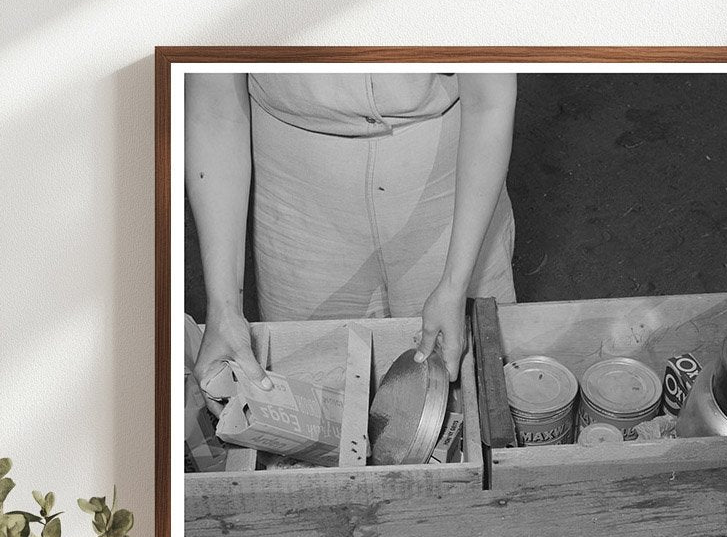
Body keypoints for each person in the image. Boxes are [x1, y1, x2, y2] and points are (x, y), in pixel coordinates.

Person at [185, 72, 517, 408]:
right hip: (296, 194)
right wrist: (223, 309)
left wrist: (454, 283)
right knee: (309, 404)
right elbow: (214, 106)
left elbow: (489, 98)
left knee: (477, 393)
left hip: (450, 171)